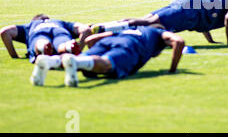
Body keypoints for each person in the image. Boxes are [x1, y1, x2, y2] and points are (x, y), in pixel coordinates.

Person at [90, 0, 228, 46]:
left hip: (187, 5)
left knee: (149, 22)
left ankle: (105, 29)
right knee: (148, 24)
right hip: (187, 11)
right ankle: (104, 28)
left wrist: (210, 40)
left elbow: (206, 19)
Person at [31, 26, 185, 87]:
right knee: (107, 63)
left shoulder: (132, 28)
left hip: (109, 40)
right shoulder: (158, 33)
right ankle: (77, 61)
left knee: (82, 61)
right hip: (131, 46)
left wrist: (95, 50)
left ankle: (49, 61)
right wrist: (172, 69)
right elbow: (179, 41)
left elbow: (91, 39)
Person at [0, 14, 91, 63]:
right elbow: (85, 29)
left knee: (40, 41)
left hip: (38, 33)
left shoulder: (30, 25)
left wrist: (14, 56)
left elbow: (4, 32)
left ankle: (43, 46)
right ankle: (69, 47)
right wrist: (80, 48)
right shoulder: (58, 22)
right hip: (60, 31)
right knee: (62, 44)